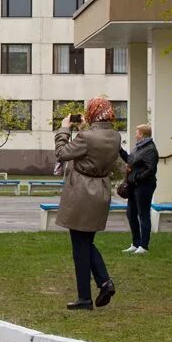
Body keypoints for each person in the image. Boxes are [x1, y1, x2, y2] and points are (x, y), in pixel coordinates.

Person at [55, 97, 120, 311]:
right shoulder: (115, 136)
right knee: (86, 243)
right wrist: (85, 128)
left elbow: (63, 153)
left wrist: (64, 130)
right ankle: (103, 283)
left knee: (80, 245)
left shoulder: (86, 137)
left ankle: (86, 296)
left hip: (82, 191)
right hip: (101, 190)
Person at [119, 124, 159, 255]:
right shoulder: (139, 147)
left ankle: (144, 245)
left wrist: (137, 178)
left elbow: (151, 169)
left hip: (144, 186)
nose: (135, 134)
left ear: (142, 134)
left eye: (137, 132)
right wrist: (120, 150)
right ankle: (135, 243)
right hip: (134, 186)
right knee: (131, 213)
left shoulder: (150, 149)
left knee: (143, 214)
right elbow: (130, 160)